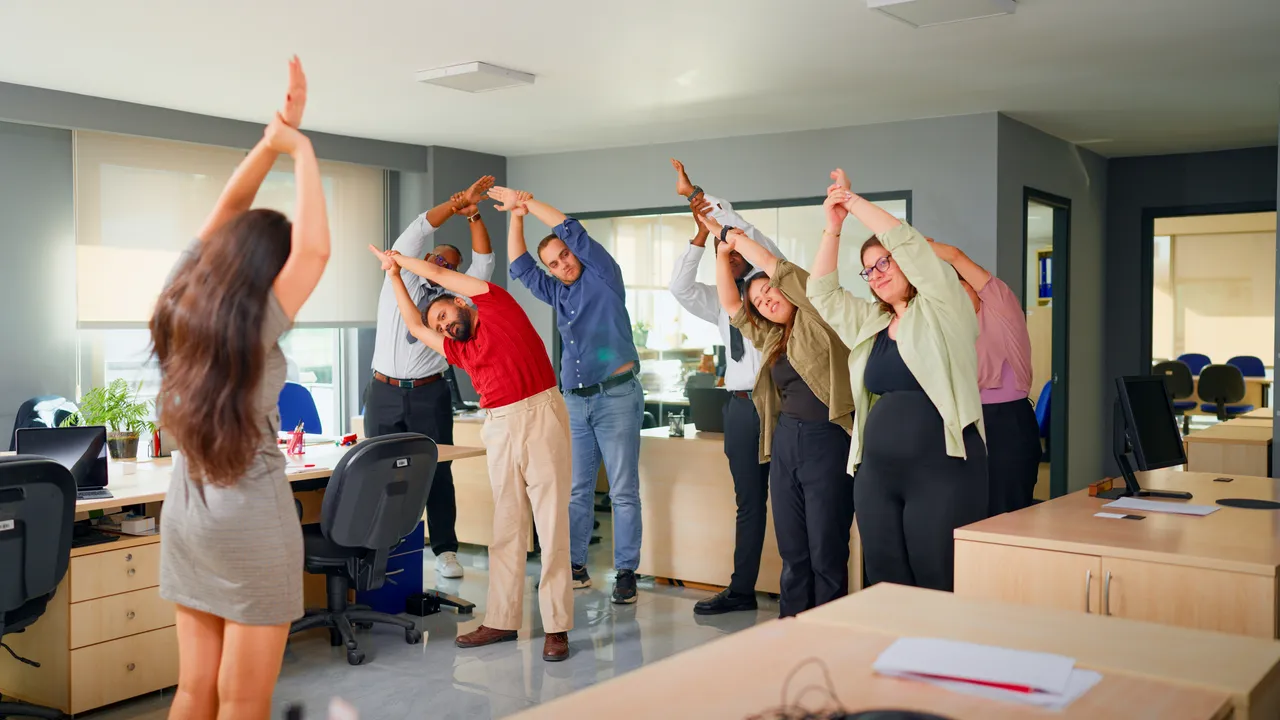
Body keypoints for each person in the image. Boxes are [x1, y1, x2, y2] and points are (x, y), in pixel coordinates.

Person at [151, 57, 329, 720]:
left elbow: (228, 207)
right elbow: (314, 252)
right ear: (268, 271)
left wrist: (270, 140)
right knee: (245, 698)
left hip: (186, 513)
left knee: (197, 690)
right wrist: (301, 147)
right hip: (250, 518)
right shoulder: (254, 322)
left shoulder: (180, 299)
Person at [366, 220, 574, 662]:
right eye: (438, 326)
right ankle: (501, 620)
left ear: (461, 302)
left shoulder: (493, 302)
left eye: (444, 316)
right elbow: (411, 321)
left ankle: (557, 626)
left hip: (540, 412)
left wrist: (399, 259)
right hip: (497, 423)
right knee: (507, 525)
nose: (443, 327)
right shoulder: (457, 349)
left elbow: (440, 276)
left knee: (551, 522)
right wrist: (393, 278)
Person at [807, 169, 987, 593]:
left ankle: (942, 661)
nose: (877, 273)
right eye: (869, 270)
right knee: (886, 582)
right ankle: (896, 660)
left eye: (884, 262)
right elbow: (822, 294)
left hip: (942, 471)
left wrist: (851, 202)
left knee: (937, 578)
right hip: (877, 475)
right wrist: (832, 228)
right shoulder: (871, 323)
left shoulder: (946, 309)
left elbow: (910, 243)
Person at [697, 211, 855, 619]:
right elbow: (732, 303)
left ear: (787, 290)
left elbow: (775, 266)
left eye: (769, 292)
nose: (765, 300)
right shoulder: (770, 337)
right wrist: (720, 252)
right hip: (785, 441)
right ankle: (791, 628)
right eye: (759, 302)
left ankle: (829, 628)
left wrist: (728, 233)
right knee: (792, 549)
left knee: (826, 548)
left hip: (827, 439)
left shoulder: (819, 315)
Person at [491, 185, 644, 605]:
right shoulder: (557, 291)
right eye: (554, 264)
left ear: (577, 255)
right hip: (575, 401)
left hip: (616, 397)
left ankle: (626, 571)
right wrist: (515, 217)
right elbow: (520, 267)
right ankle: (575, 566)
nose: (562, 265)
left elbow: (569, 228)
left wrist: (527, 201)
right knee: (577, 489)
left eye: (565, 256)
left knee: (623, 489)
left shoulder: (603, 275)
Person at [668, 159, 787, 616]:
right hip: (740, 409)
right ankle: (741, 590)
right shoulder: (722, 301)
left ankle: (807, 590)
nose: (732, 254)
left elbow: (744, 232)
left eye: (736, 248)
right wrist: (701, 237)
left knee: (795, 498)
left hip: (781, 403)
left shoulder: (774, 287)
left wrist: (697, 198)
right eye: (725, 250)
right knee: (749, 503)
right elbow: (679, 287)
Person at [363, 174, 496, 580]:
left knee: (438, 470)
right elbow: (421, 225)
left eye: (450, 266)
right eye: (438, 259)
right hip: (383, 391)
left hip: (429, 394)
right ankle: (377, 548)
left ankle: (445, 550)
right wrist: (456, 204)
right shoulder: (395, 279)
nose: (441, 267)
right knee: (376, 471)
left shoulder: (456, 305)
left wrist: (475, 217)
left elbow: (485, 264)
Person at [930, 240, 1039, 515]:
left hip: (1005, 423)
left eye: (960, 287)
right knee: (968, 516)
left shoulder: (1001, 306)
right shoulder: (950, 327)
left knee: (1006, 515)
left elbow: (955, 255)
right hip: (965, 422)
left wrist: (909, 243)